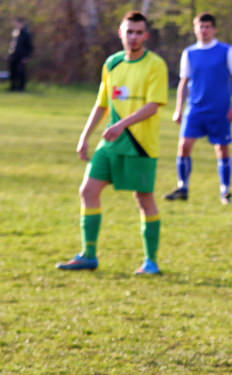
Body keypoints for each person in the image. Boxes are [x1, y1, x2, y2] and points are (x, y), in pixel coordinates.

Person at [56, 11, 168, 275]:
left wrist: (121, 125)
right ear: (120, 33)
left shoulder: (155, 65)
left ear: (146, 36)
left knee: (144, 199)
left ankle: (151, 262)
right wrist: (84, 137)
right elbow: (102, 104)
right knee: (88, 191)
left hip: (140, 144)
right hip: (111, 143)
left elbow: (153, 106)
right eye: (129, 32)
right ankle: (88, 255)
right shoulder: (112, 63)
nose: (133, 37)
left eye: (139, 32)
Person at [164, 12, 232, 205]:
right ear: (195, 29)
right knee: (183, 147)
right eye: (201, 27)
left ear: (214, 29)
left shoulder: (226, 51)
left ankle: (225, 191)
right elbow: (184, 82)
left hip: (220, 110)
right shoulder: (189, 53)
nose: (204, 30)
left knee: (222, 149)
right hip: (195, 109)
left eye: (208, 27)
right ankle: (183, 186)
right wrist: (178, 109)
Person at [8, 17, 33, 91]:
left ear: (21, 23)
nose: (15, 25)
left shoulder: (26, 33)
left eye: (17, 23)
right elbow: (13, 45)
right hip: (14, 56)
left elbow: (29, 46)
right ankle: (13, 87)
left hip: (21, 57)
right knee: (13, 72)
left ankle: (21, 88)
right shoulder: (15, 32)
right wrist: (10, 54)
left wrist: (26, 57)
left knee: (21, 72)